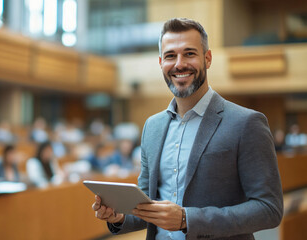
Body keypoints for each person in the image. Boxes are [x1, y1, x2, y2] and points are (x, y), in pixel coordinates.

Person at [92, 18, 283, 240]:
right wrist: (119, 217)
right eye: (171, 56)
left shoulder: (246, 123)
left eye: (189, 53)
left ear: (207, 58)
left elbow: (269, 209)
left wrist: (187, 219)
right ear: (161, 62)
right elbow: (147, 207)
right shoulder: (152, 127)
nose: (179, 64)